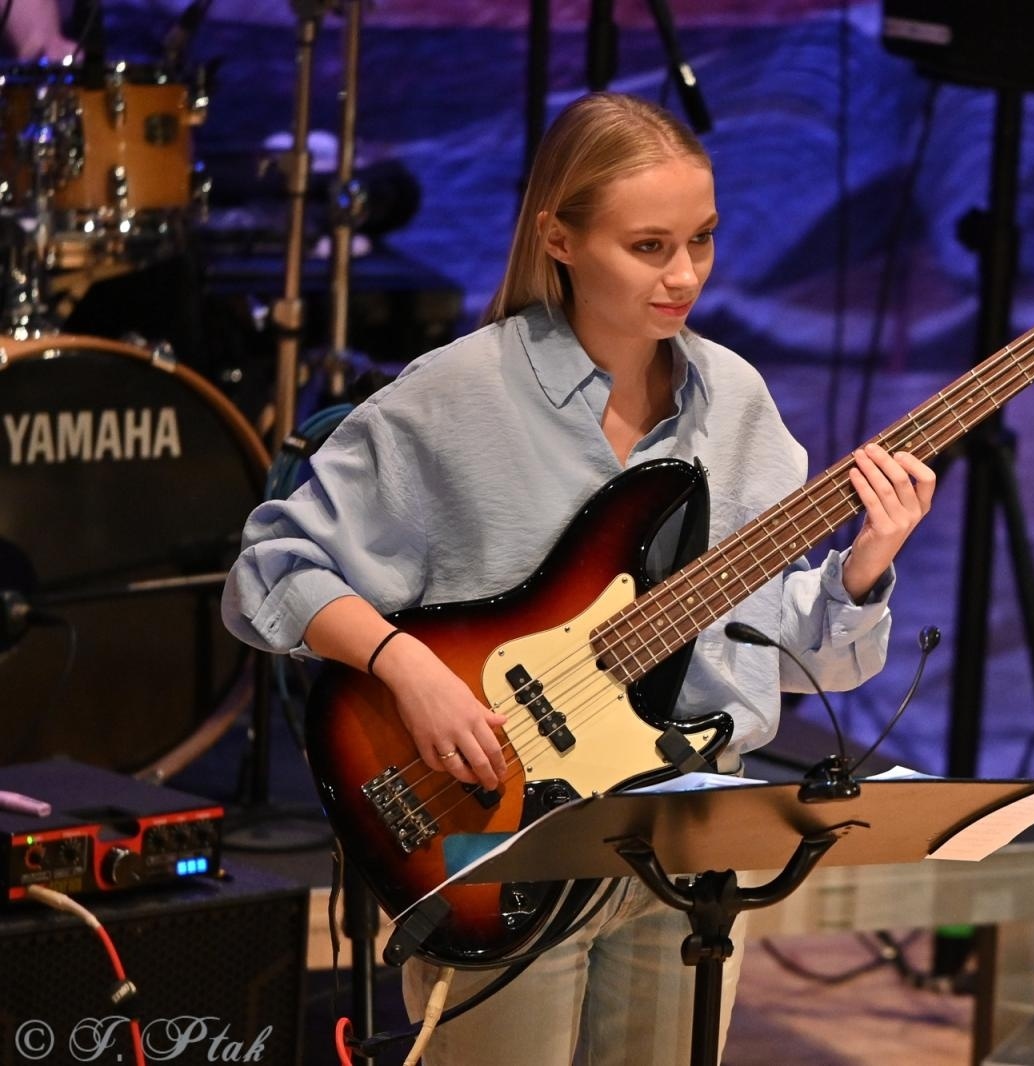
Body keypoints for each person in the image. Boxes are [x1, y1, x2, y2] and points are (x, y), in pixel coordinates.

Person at [220, 92, 935, 1063]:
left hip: (687, 857)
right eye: (648, 246)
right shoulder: (456, 394)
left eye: (703, 239)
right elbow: (270, 568)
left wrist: (861, 570)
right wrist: (407, 669)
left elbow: (793, 650)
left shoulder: (737, 403)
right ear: (558, 237)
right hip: (490, 838)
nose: (684, 274)